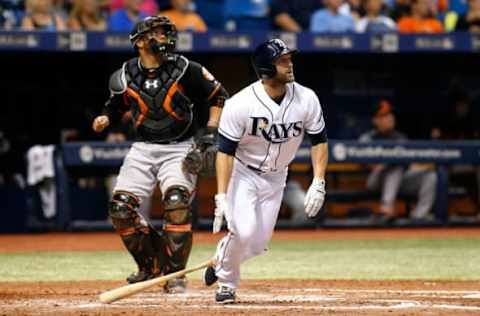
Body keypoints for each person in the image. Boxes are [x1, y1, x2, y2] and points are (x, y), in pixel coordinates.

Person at [92, 15, 228, 293]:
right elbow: (116, 104)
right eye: (158, 34)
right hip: (142, 148)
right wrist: (105, 118)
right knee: (120, 209)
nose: (166, 39)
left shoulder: (186, 68)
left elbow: (219, 96)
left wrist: (211, 132)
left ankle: (175, 273)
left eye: (166, 33)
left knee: (177, 203)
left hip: (180, 146)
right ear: (141, 42)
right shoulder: (124, 73)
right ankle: (151, 266)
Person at [202, 39, 329, 303]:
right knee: (243, 232)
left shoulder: (307, 98)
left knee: (258, 245)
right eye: (282, 61)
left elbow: (319, 141)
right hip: (244, 173)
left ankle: (220, 259)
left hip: (277, 176)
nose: (289, 64)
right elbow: (224, 152)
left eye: (289, 59)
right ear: (266, 67)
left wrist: (319, 181)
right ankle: (226, 284)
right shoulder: (240, 104)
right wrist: (221, 196)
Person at [359, 100, 438, 222]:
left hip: (399, 180)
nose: (390, 118)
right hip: (375, 180)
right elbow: (366, 166)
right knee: (394, 165)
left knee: (430, 176)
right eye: (384, 115)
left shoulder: (400, 138)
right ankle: (386, 209)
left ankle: (420, 215)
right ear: (375, 120)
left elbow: (410, 164)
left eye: (390, 114)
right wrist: (384, 163)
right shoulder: (367, 139)